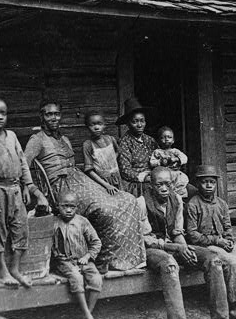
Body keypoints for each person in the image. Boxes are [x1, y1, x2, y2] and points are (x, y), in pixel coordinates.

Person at [24, 99, 145, 271]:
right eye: (49, 114)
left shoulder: (64, 138)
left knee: (127, 199)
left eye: (56, 114)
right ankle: (104, 259)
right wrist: (37, 193)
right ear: (41, 117)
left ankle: (128, 259)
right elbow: (22, 166)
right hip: (60, 186)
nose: (53, 118)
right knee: (105, 208)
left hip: (78, 179)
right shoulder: (37, 140)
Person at [138, 166, 236, 319]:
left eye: (167, 184)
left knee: (214, 260)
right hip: (151, 250)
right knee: (170, 265)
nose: (164, 188)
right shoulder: (141, 202)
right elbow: (146, 238)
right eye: (159, 184)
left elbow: (177, 231)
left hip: (173, 245)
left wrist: (184, 248)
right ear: (151, 185)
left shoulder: (176, 199)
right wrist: (177, 249)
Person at [0, 98, 44, 287]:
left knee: (21, 227)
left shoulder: (12, 136)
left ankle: (15, 268)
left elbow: (22, 161)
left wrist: (26, 186)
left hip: (16, 189)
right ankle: (2, 271)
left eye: (3, 113)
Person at [183, 165, 236, 319]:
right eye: (204, 182)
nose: (208, 185)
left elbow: (227, 226)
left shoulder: (222, 204)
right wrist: (216, 241)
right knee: (231, 263)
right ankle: (233, 306)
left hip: (221, 243)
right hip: (206, 246)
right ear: (198, 184)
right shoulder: (193, 204)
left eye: (212, 182)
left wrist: (229, 240)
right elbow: (192, 235)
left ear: (216, 184)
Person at [51, 189, 104, 319]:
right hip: (65, 262)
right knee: (76, 277)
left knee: (96, 279)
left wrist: (87, 256)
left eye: (72, 207)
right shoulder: (54, 223)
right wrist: (56, 254)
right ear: (58, 206)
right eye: (64, 206)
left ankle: (87, 316)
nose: (68, 210)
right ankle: (89, 317)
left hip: (84, 260)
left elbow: (96, 243)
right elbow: (47, 245)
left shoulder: (82, 222)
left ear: (77, 207)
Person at [116, 97, 158, 198]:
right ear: (128, 123)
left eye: (142, 121)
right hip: (136, 183)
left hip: (154, 178)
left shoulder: (150, 140)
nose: (139, 125)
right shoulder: (124, 142)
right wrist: (145, 177)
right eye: (135, 122)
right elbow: (125, 171)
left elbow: (159, 158)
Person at [82, 112, 122, 195]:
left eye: (99, 124)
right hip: (101, 182)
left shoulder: (110, 139)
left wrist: (110, 162)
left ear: (104, 125)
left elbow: (118, 151)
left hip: (116, 178)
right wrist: (107, 185)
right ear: (87, 127)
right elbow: (89, 170)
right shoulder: (88, 145)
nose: (96, 127)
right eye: (92, 125)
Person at [150, 126, 190, 199]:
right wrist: (160, 162)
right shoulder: (157, 152)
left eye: (169, 137)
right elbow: (152, 162)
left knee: (181, 181)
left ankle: (181, 198)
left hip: (175, 173)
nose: (166, 139)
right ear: (158, 141)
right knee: (166, 187)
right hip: (163, 175)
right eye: (163, 137)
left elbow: (185, 158)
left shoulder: (175, 151)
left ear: (173, 140)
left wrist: (176, 159)